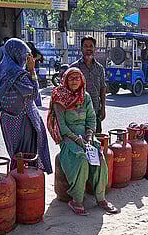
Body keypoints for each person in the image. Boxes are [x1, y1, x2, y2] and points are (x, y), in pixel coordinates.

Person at [48, 68, 118, 215]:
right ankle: (76, 200)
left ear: (81, 80)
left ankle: (100, 198)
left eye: (77, 78)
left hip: (86, 137)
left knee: (99, 158)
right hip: (68, 139)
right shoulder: (59, 97)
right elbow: (62, 126)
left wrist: (89, 136)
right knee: (82, 160)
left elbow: (91, 118)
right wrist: (77, 140)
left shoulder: (85, 96)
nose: (74, 81)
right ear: (65, 80)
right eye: (71, 78)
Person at [0, 38, 52, 174]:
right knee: (27, 156)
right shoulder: (17, 74)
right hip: (24, 120)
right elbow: (33, 94)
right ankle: (26, 187)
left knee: (15, 153)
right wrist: (32, 71)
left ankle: (17, 183)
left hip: (7, 120)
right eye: (24, 55)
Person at [71, 36, 107, 133]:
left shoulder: (99, 68)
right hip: (78, 113)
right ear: (81, 48)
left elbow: (103, 88)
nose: (88, 49)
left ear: (95, 49)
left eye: (91, 46)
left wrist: (103, 108)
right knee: (81, 142)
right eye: (86, 46)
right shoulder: (75, 67)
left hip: (96, 111)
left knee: (96, 142)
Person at [26, 41, 44, 108]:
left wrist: (33, 60)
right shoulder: (26, 51)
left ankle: (38, 103)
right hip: (28, 70)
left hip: (34, 69)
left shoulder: (34, 51)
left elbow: (40, 56)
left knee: (35, 85)